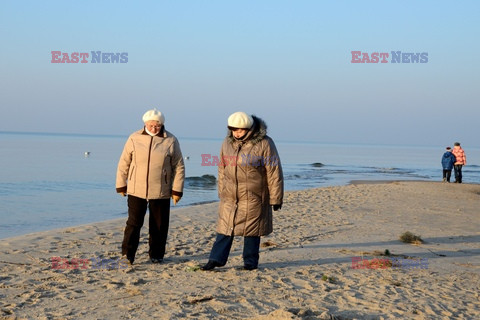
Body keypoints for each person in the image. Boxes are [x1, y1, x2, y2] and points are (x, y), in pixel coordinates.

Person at [201, 111, 284, 271]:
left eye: (240, 130)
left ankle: (250, 263)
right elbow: (222, 167)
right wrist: (222, 190)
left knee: (252, 230)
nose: (236, 133)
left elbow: (274, 171)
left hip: (254, 195)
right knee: (224, 228)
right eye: (233, 130)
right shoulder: (227, 142)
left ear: (250, 128)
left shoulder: (265, 143)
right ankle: (215, 260)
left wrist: (276, 198)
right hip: (231, 195)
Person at [116, 109, 185, 265]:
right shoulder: (134, 138)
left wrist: (177, 190)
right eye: (151, 125)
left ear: (162, 124)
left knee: (159, 225)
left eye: (157, 125)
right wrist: (121, 184)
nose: (154, 128)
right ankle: (127, 255)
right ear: (145, 124)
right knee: (133, 223)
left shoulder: (171, 140)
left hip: (161, 190)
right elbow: (124, 162)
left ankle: (156, 255)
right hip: (136, 189)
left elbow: (179, 166)